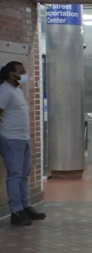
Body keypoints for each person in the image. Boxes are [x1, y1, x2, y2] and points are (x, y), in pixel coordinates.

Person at [0, 61, 46, 226]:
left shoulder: (17, 89)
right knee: (14, 175)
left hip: (23, 138)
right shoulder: (5, 91)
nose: (25, 74)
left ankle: (26, 206)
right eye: (21, 71)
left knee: (24, 174)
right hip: (11, 140)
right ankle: (16, 211)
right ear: (11, 74)